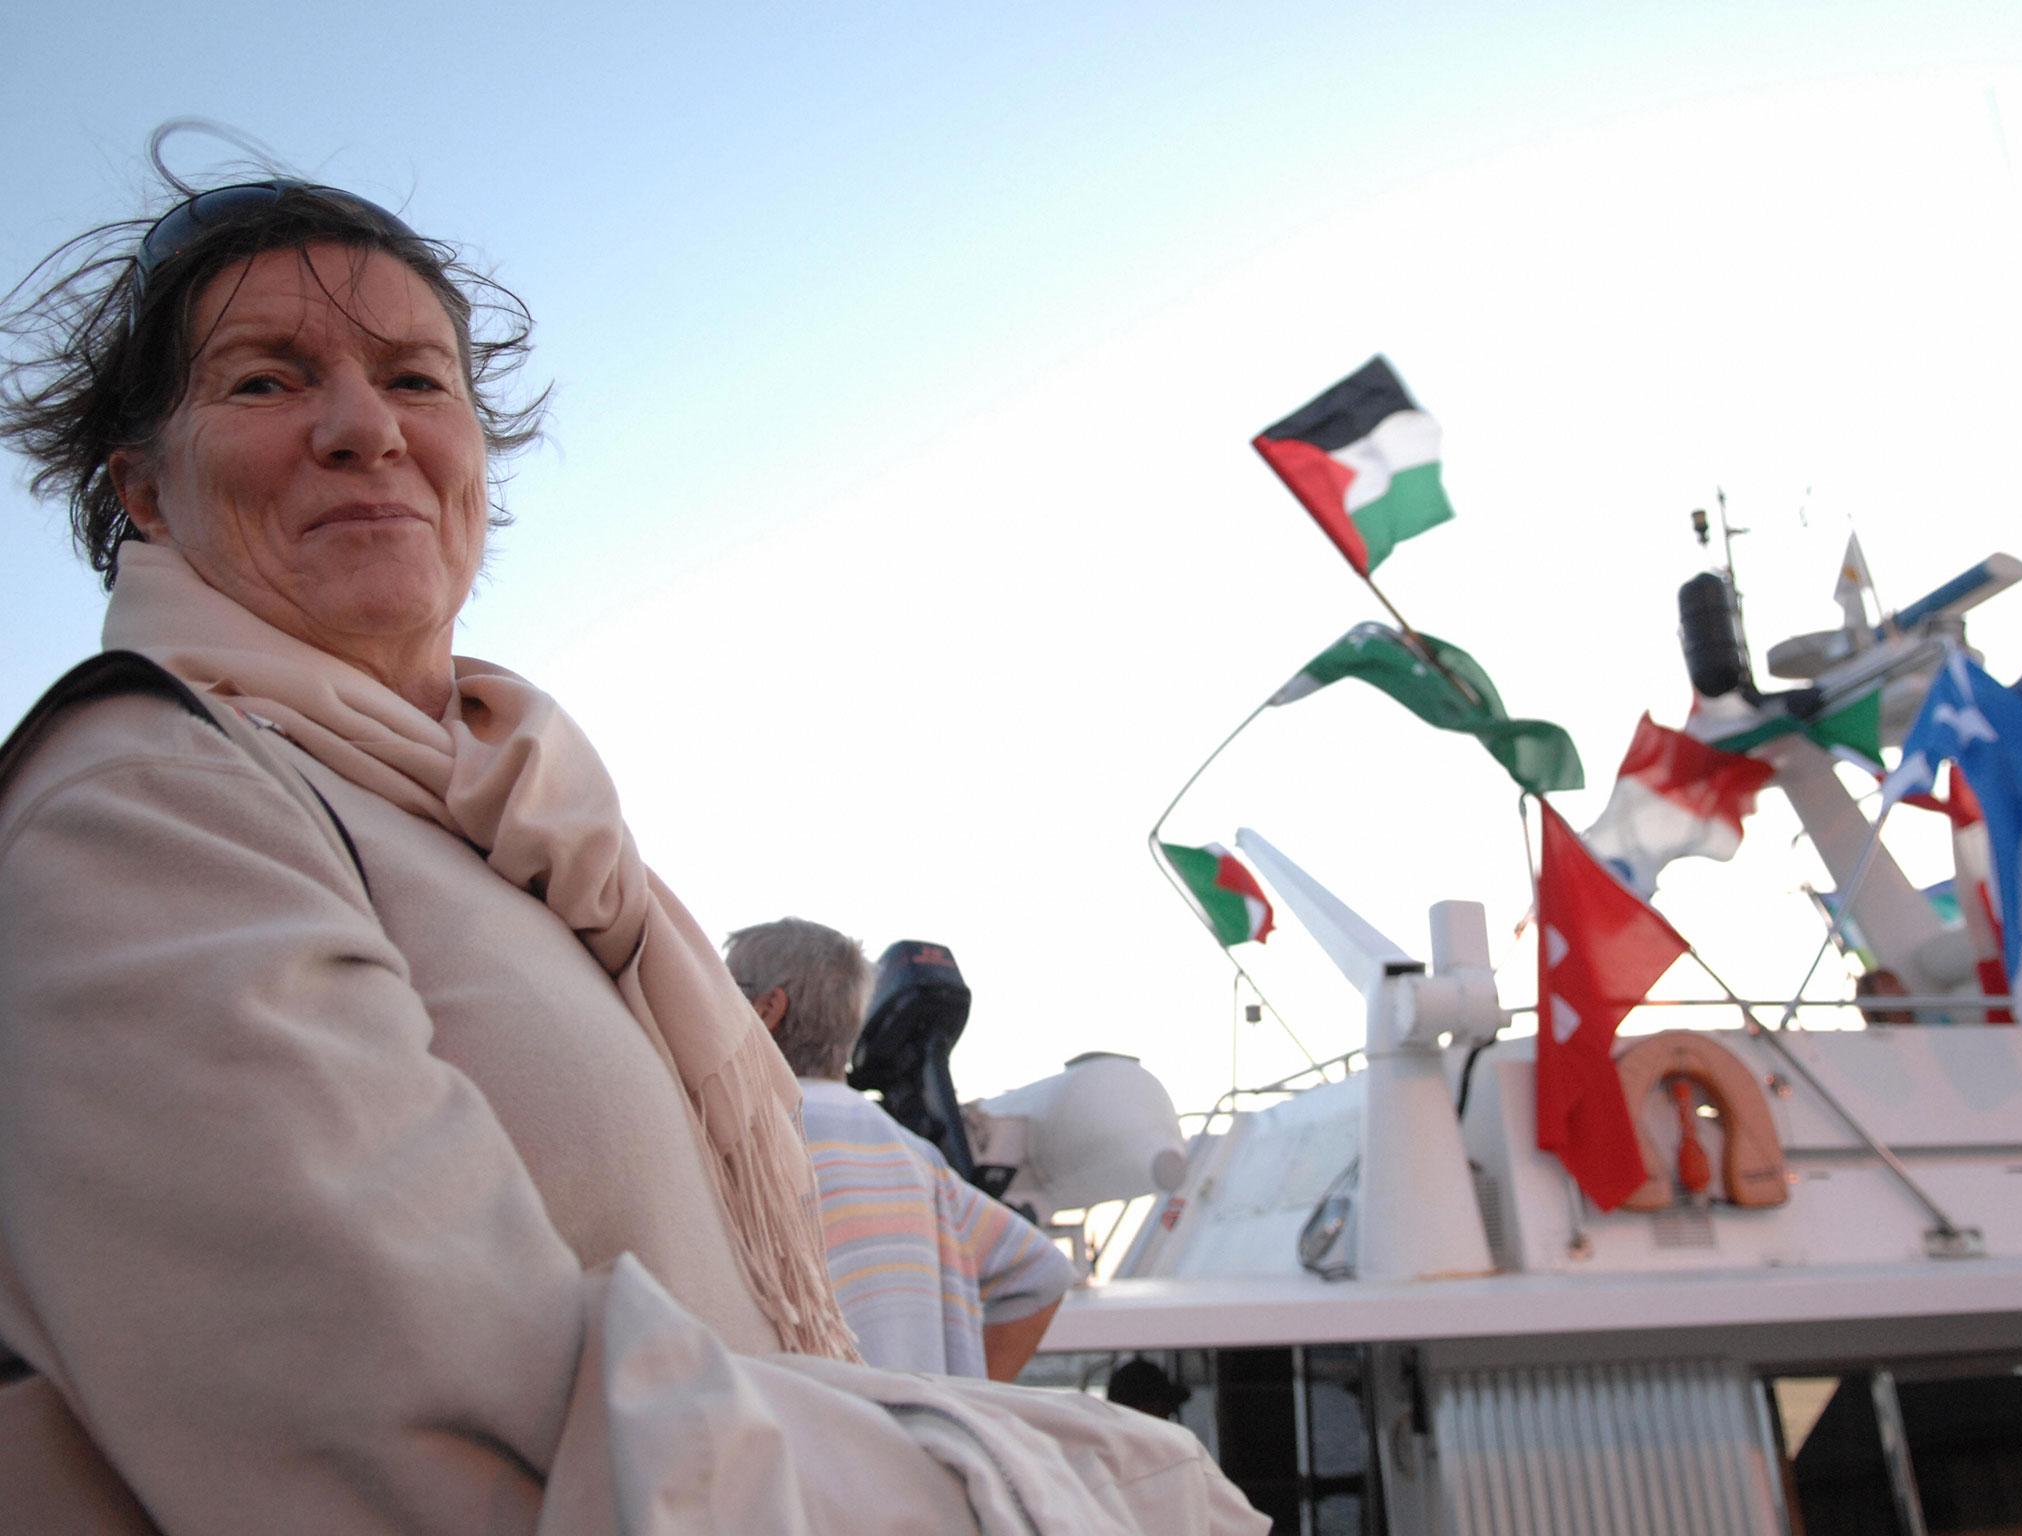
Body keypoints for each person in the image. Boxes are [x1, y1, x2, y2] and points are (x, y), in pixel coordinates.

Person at [0, 151, 1265, 1536]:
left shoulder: (534, 843)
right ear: (141, 488)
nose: (366, 427)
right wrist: (1096, 1490)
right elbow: (446, 1432)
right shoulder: (144, 802)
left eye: (418, 380)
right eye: (267, 379)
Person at [723, 917, 1072, 1379]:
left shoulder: (742, 1142)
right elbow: (1042, 1273)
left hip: (805, 1445)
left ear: (768, 1009)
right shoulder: (917, 1159)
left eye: (720, 992)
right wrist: (973, 1398)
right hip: (914, 1446)